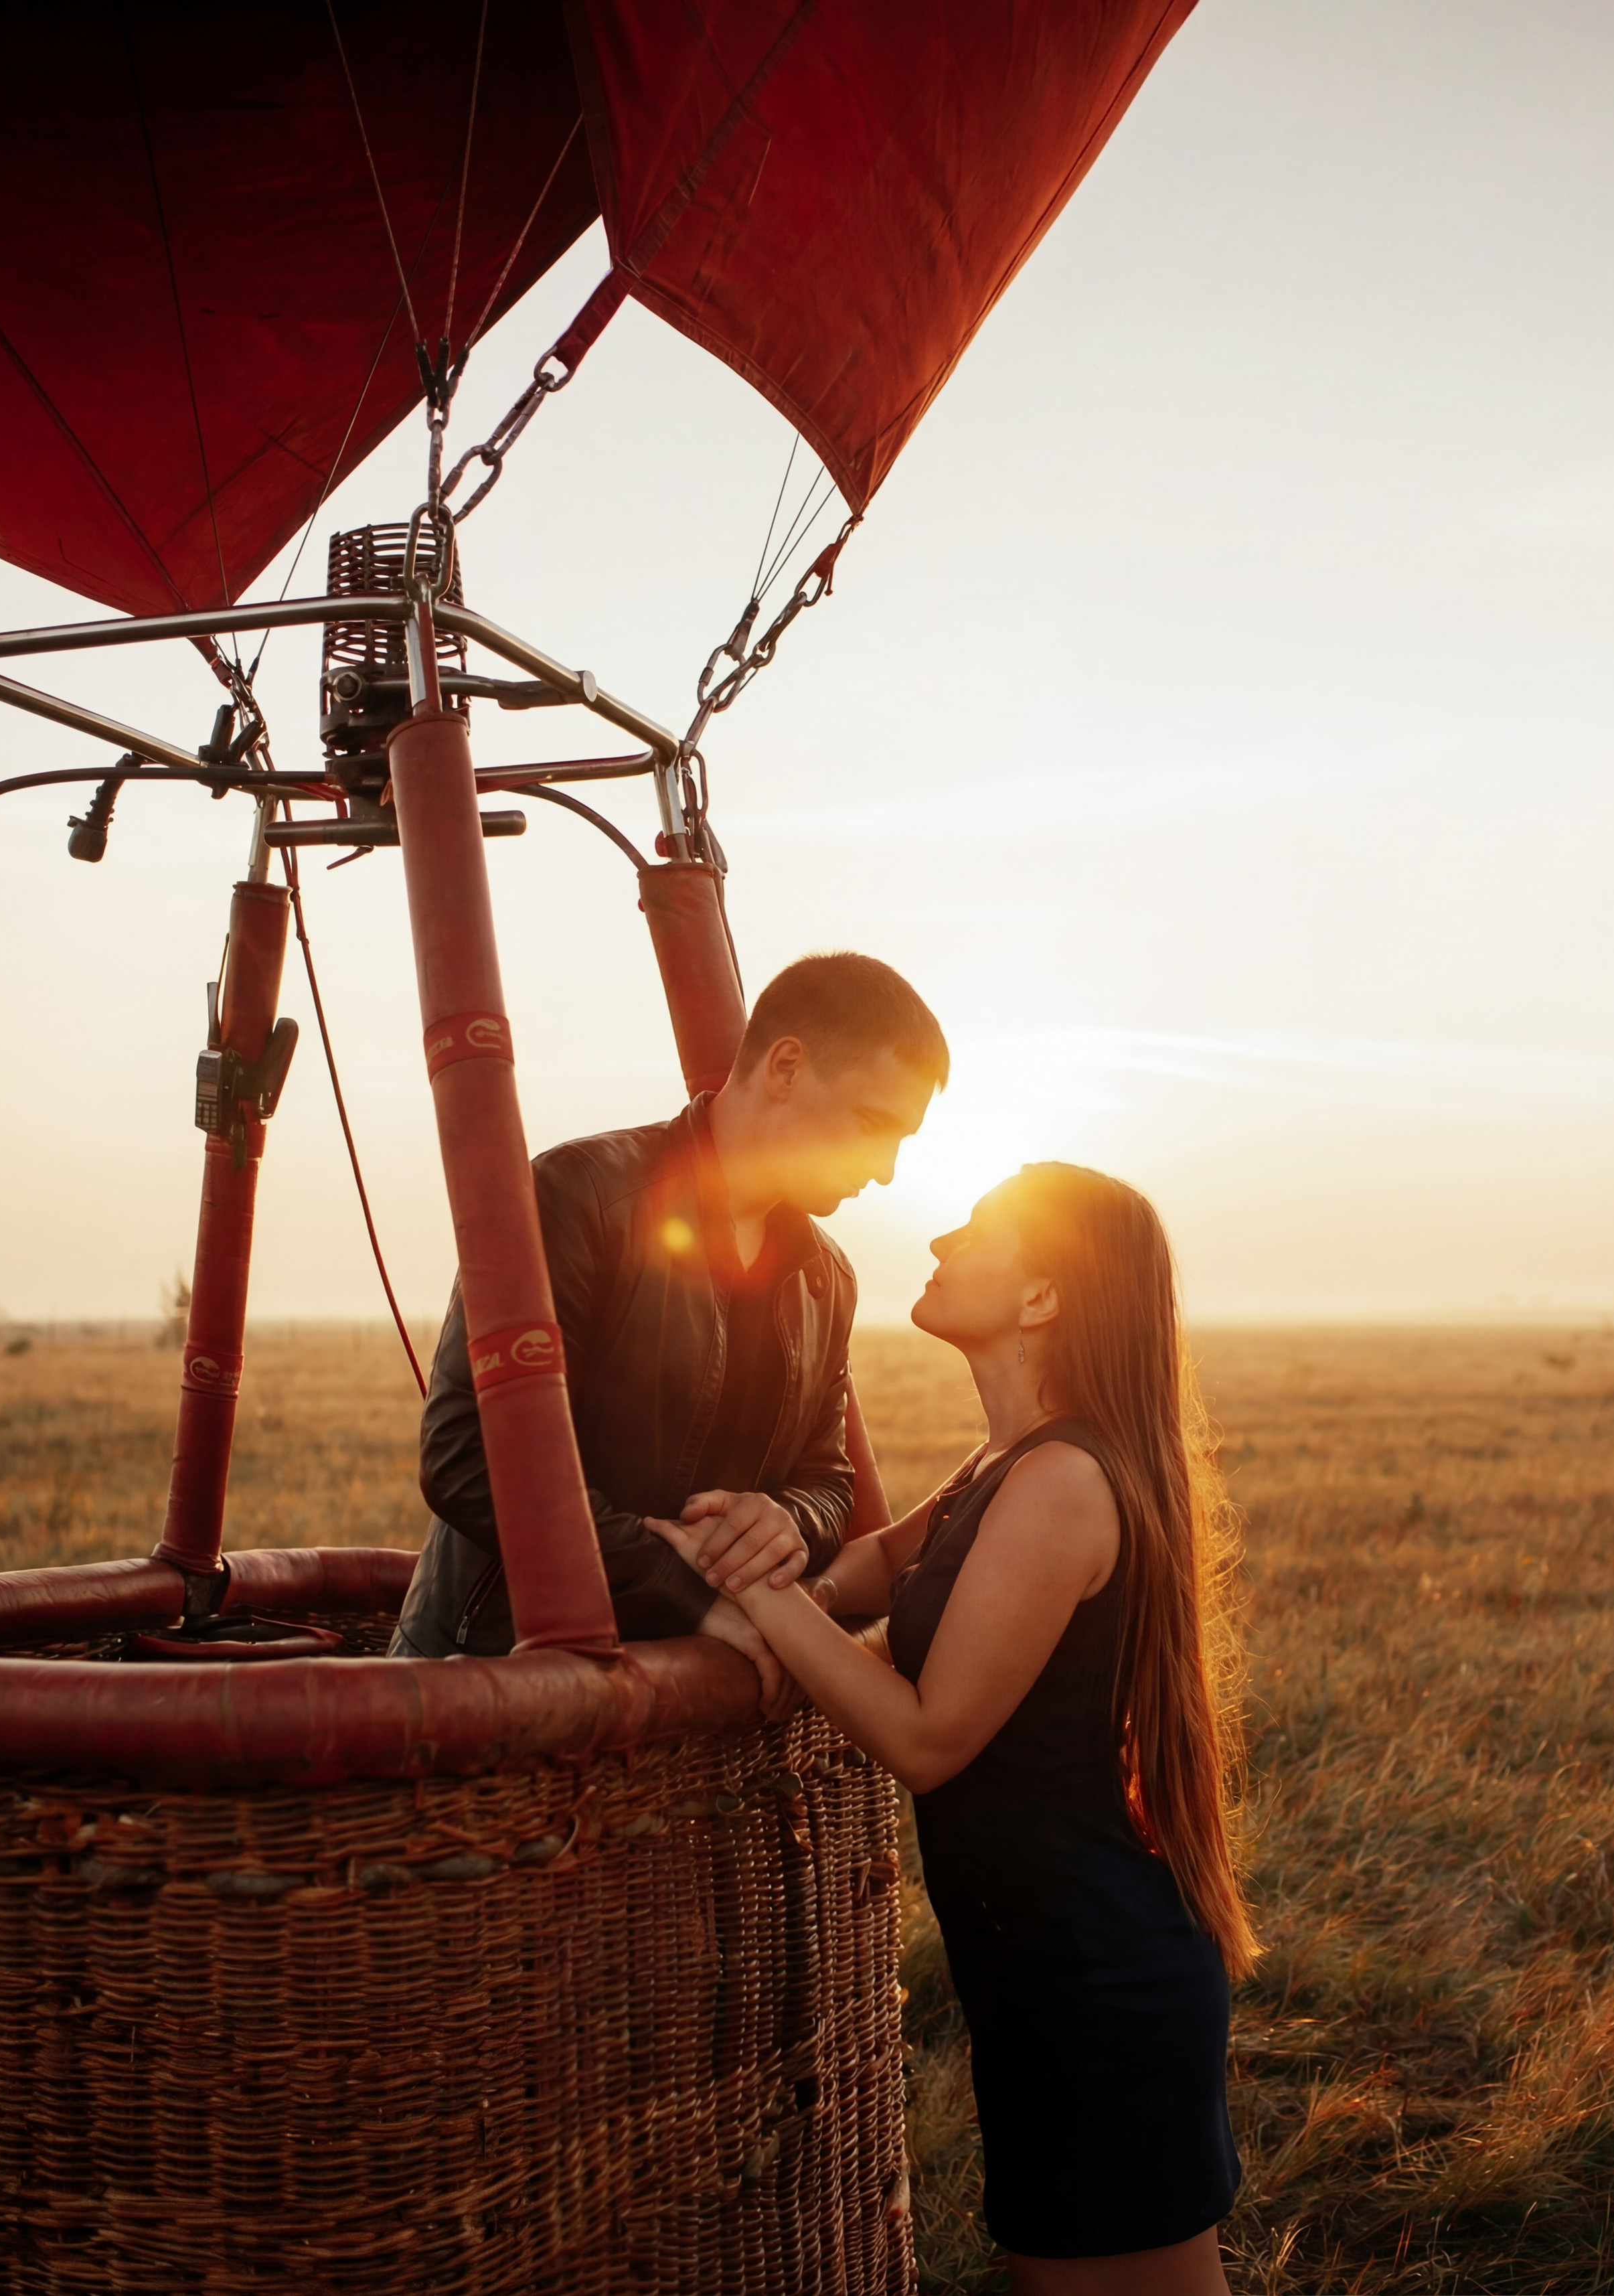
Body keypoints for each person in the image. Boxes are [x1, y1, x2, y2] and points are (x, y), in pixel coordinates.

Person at [649, 1163, 1255, 2295]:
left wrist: (752, 1583)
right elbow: (875, 1567)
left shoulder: (1065, 1480)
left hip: (1099, 1980)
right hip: (1042, 1970)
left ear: (1041, 1298)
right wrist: (764, 1540)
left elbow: (929, 1737)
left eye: (978, 1226)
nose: (940, 1235)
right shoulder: (1003, 1464)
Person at [389, 951, 948, 1706]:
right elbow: (465, 1456)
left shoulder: (827, 1277)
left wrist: (784, 1522)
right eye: (873, 1125)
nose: (885, 1170)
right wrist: (681, 1595)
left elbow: (828, 1477)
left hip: (683, 1721)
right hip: (494, 1693)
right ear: (784, 1068)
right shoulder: (577, 1197)